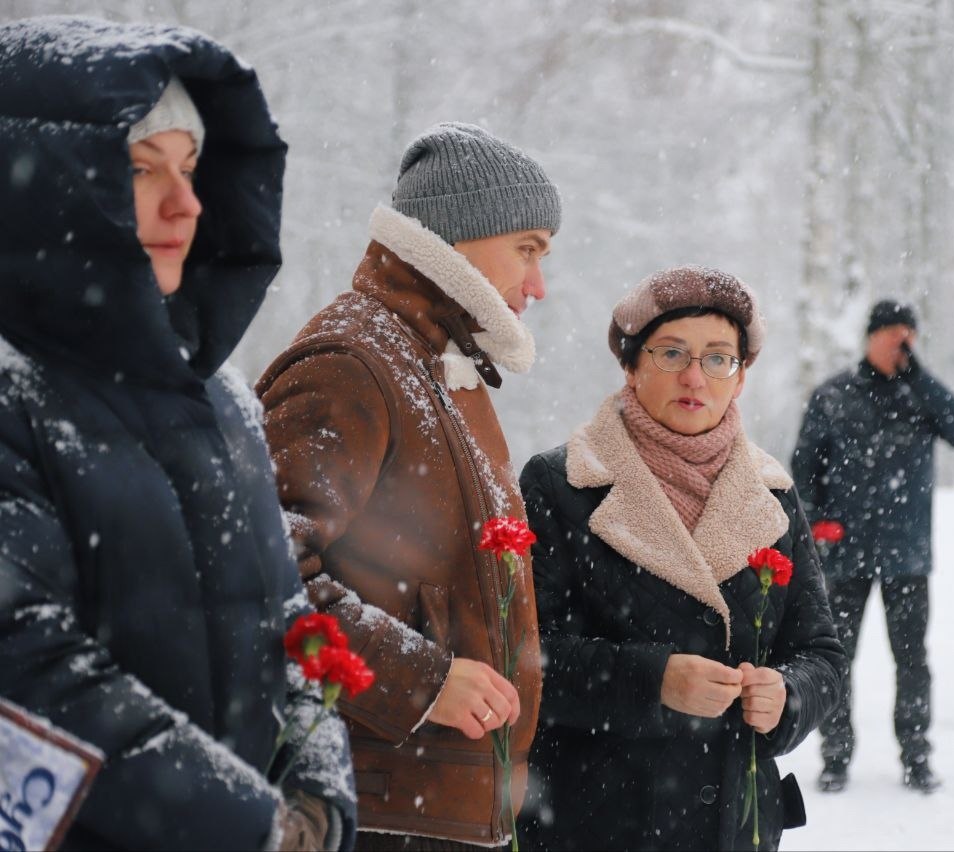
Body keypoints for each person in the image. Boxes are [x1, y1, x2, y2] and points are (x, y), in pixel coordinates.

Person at [0, 16, 356, 850]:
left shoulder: (219, 395)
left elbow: (289, 620)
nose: (186, 203)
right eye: (138, 168)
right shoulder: (13, 396)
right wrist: (249, 824)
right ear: (45, 186)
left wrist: (315, 785)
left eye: (192, 168)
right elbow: (26, 667)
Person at [256, 123, 560, 849]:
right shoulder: (352, 360)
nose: (539, 285)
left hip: (440, 807)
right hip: (379, 809)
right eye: (529, 249)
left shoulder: (445, 367)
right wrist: (423, 682)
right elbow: (263, 573)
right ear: (462, 233)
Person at [517, 266, 844, 851]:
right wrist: (655, 680)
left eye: (719, 358)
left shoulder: (772, 495)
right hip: (593, 822)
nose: (696, 375)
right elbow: (526, 661)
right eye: (671, 353)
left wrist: (787, 696)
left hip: (733, 825)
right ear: (631, 363)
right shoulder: (560, 483)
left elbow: (820, 653)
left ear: (740, 377)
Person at [792, 299, 954, 795]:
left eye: (909, 338)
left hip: (907, 556)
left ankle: (917, 758)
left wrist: (920, 377)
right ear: (871, 338)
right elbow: (804, 467)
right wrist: (817, 523)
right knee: (837, 659)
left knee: (912, 659)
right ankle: (835, 757)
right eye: (894, 336)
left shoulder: (922, 396)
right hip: (844, 554)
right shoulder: (833, 395)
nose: (902, 346)